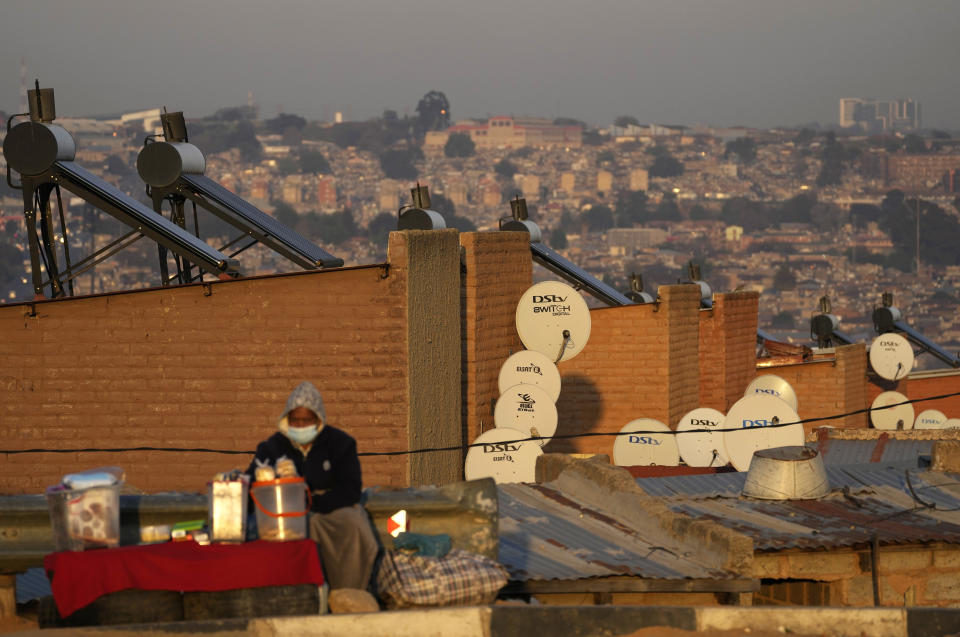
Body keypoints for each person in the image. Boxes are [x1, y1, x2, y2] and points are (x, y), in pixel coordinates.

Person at [247, 381, 379, 591]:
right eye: (295, 421)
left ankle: (349, 591)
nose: (300, 426)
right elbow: (252, 484)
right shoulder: (271, 448)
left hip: (330, 509)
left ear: (318, 420)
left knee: (352, 527)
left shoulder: (341, 444)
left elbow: (350, 489)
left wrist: (311, 502)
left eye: (306, 421)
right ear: (287, 420)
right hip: (283, 516)